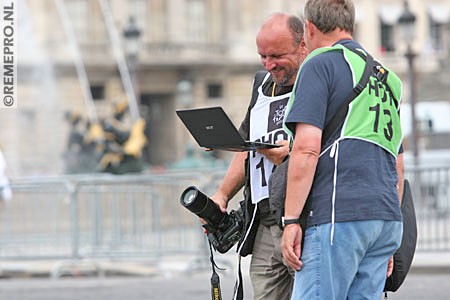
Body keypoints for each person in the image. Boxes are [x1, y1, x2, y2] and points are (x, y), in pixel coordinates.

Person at [280, 0, 404, 299]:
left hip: (339, 212)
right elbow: (398, 164)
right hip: (385, 216)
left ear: (308, 28)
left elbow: (307, 150)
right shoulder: (388, 79)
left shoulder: (320, 64)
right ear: (349, 24)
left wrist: (291, 220)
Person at [208, 13, 307, 300]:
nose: (268, 63)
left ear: (303, 46)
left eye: (276, 55)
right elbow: (246, 150)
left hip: (303, 218)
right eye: (262, 55)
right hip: (263, 219)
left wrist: (291, 154)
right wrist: (222, 195)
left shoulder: (317, 83)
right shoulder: (261, 86)